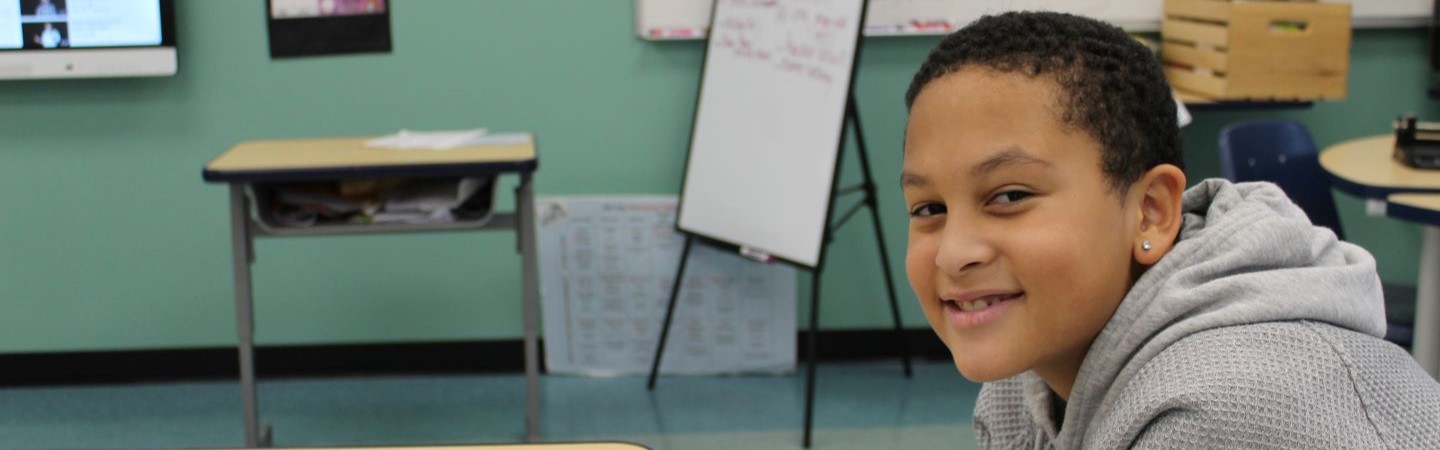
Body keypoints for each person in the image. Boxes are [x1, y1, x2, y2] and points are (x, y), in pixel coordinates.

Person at [900, 11, 1440, 449]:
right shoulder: (1025, 376)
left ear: (1152, 212)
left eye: (1010, 197)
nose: (953, 253)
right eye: (928, 208)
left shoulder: (1221, 413)